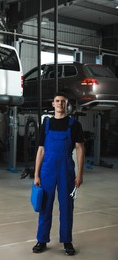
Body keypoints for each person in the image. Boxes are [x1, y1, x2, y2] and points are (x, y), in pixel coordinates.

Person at [32, 92, 85, 255]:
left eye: (63, 101)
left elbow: (80, 149)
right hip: (47, 170)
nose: (60, 104)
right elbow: (41, 150)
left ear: (66, 104)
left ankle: (67, 241)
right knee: (45, 205)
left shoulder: (74, 125)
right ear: (53, 104)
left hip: (66, 170)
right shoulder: (46, 124)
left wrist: (80, 173)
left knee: (67, 206)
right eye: (57, 101)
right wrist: (36, 174)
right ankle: (41, 240)